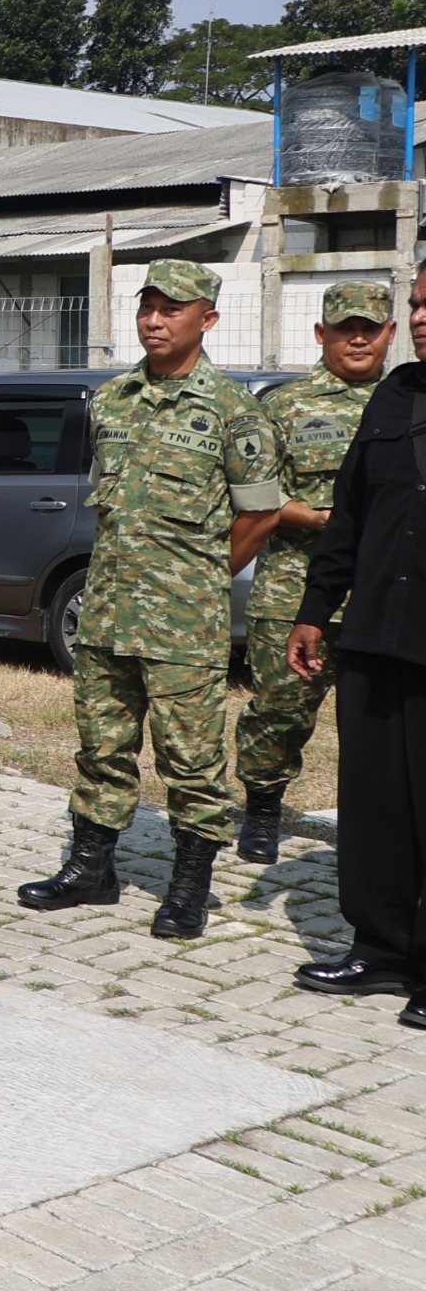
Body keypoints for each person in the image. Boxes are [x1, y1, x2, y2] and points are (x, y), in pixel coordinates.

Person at [19, 259, 281, 939]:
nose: (154, 319)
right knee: (101, 748)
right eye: (148, 307)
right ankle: (91, 869)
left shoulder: (233, 411)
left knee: (191, 759)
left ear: (208, 320)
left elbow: (259, 514)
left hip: (184, 622)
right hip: (106, 612)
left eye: (172, 308)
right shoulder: (111, 402)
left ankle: (189, 886)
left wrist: (198, 577)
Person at [287, 269, 426, 1026]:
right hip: (376, 633)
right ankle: (380, 948)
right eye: (416, 304)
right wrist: (315, 610)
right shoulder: (396, 394)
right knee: (375, 804)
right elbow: (350, 516)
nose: (421, 317)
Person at [233, 282, 396, 862]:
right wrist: (323, 518)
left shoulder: (405, 401)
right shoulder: (283, 406)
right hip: (293, 589)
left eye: (370, 328)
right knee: (281, 709)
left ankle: (378, 825)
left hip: (383, 596)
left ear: (390, 334)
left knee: (381, 724)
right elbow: (258, 498)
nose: (359, 338)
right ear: (321, 333)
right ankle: (262, 806)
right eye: (346, 327)